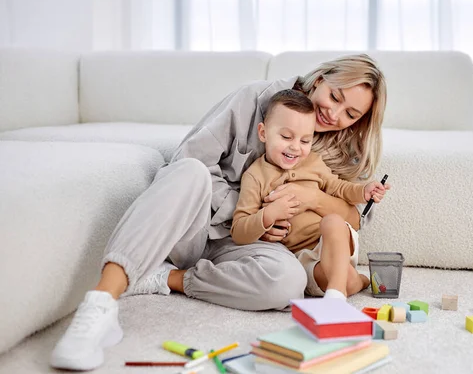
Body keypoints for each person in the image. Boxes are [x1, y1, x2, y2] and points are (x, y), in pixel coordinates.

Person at [50, 54, 388, 371]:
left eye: (351, 114)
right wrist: (253, 211)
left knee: (289, 282)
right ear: (320, 78)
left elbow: (354, 218)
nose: (335, 114)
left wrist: (307, 197)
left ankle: (165, 277)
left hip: (252, 246)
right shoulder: (252, 100)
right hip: (199, 225)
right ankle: (101, 303)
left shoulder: (344, 146)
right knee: (191, 171)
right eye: (335, 96)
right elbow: (187, 161)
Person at [231, 89, 388, 300]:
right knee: (347, 280)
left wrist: (364, 191)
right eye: (286, 137)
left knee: (332, 221)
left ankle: (336, 295)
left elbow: (339, 187)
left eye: (305, 141)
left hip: (332, 242)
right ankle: (355, 282)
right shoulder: (255, 176)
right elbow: (239, 231)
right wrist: (267, 215)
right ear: (263, 133)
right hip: (299, 258)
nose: (295, 147)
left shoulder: (313, 162)